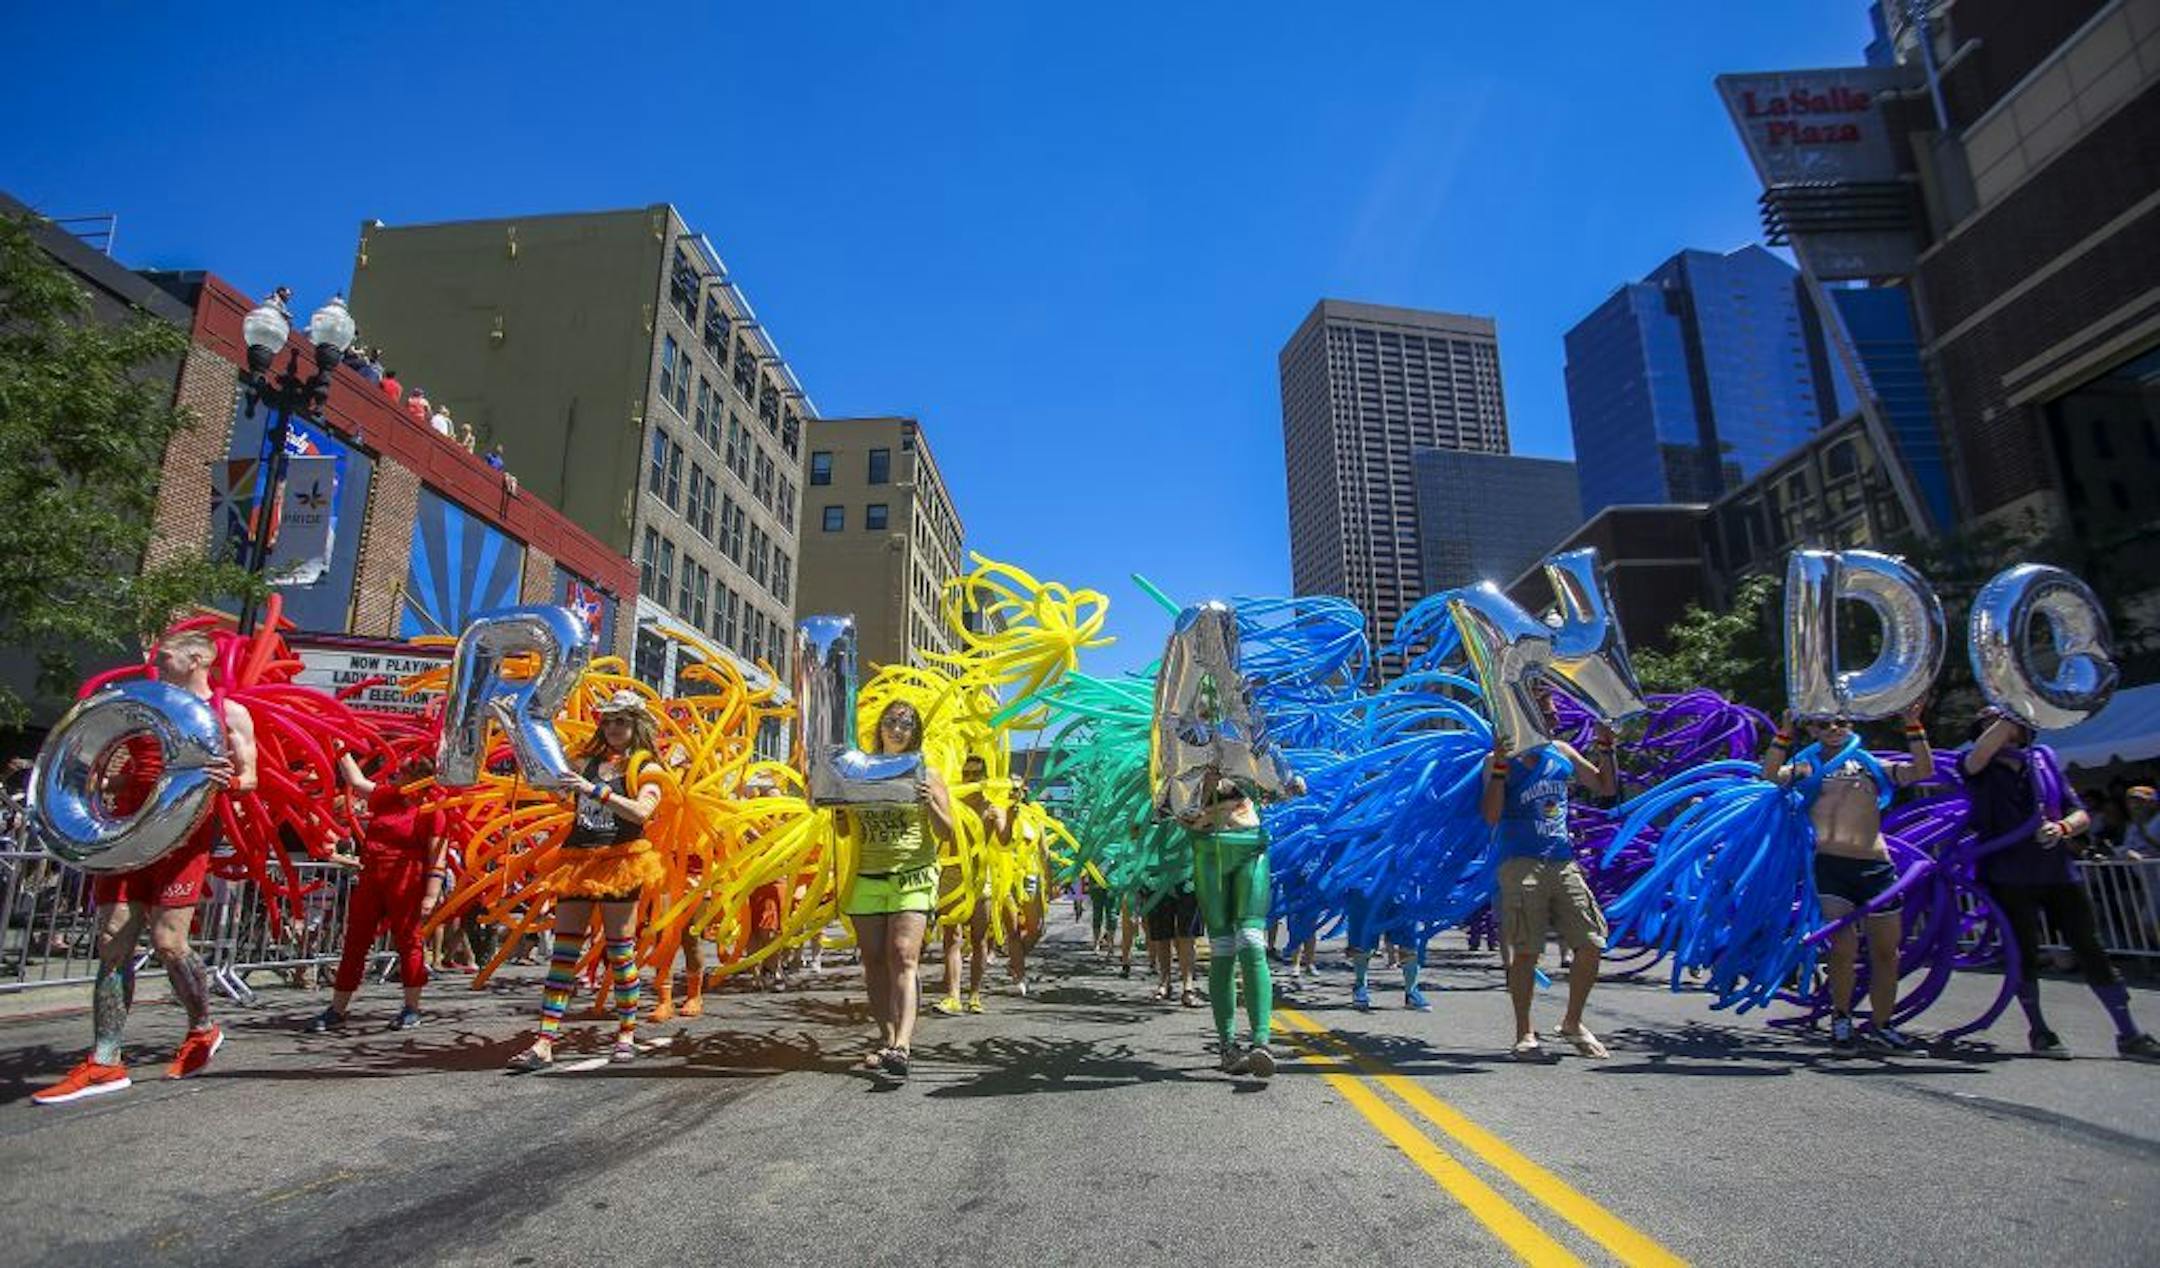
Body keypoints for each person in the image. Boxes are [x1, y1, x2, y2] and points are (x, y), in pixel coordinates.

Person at [35, 630, 260, 1105]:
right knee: (112, 940)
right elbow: (119, 762)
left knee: (168, 943)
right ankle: (105, 1059)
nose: (154, 657)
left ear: (198, 658)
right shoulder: (139, 702)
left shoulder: (228, 712)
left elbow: (250, 778)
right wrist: (96, 786)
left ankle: (202, 1027)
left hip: (183, 839)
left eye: (166, 652)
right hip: (123, 834)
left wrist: (229, 779)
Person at [1964, 712, 2160, 1061]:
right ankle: (2039, 1030)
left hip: (2058, 872)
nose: (2006, 725)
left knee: (2091, 947)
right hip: (2007, 875)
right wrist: (2009, 710)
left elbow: (2080, 812)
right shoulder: (1979, 767)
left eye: (2010, 720)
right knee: (2023, 954)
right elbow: (1978, 756)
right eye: (1993, 722)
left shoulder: (2043, 762)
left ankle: (2129, 1032)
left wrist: (2063, 828)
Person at [507, 691, 668, 1071]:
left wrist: (594, 789)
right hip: (578, 859)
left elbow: (643, 811)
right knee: (564, 952)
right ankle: (544, 1041)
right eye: (608, 721)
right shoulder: (587, 762)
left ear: (636, 726)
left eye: (621, 721)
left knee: (619, 950)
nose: (613, 728)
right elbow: (565, 795)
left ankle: (627, 1033)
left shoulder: (646, 767)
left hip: (622, 861)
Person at [1761, 700, 1932, 1056]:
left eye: (1841, 722)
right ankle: (1841, 1020)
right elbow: (1771, 775)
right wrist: (1783, 732)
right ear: (1813, 730)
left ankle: (1883, 1025)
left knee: (1887, 953)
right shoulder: (1810, 766)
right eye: (1824, 724)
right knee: (1842, 949)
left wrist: (1914, 726)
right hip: (1832, 865)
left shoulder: (1870, 765)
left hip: (1876, 866)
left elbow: (1921, 770)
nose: (1834, 728)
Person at [1483, 684, 1617, 1062]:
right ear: (1526, 713)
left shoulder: (1561, 753)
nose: (1556, 717)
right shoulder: (1500, 758)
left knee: (1591, 943)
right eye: (1547, 710)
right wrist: (1497, 764)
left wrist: (1607, 746)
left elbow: (1604, 786)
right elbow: (1490, 815)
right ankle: (1525, 1032)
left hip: (1562, 859)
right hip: (1519, 860)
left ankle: (1572, 1022)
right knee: (1526, 951)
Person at [837, 701, 952, 1078]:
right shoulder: (859, 772)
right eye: (891, 722)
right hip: (869, 875)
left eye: (906, 724)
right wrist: (838, 809)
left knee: (903, 954)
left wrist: (930, 803)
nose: (898, 729)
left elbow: (947, 832)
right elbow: (843, 830)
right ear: (881, 727)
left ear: (914, 732)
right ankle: (886, 1038)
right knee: (873, 960)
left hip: (914, 874)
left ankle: (903, 1044)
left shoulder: (927, 773)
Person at [309, 755, 444, 1033]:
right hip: (372, 877)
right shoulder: (387, 798)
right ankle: (337, 1008)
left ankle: (412, 1007)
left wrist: (431, 894)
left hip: (406, 880)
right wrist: (341, 750)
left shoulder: (433, 810)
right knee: (355, 941)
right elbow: (357, 782)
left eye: (401, 770)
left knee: (409, 942)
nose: (393, 774)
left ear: (417, 777)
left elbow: (437, 856)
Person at [1182, 772, 1297, 1078]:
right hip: (1209, 852)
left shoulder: (1244, 740)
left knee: (1251, 942)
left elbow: (1278, 783)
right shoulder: (1176, 748)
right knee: (1223, 950)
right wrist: (1204, 784)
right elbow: (1171, 811)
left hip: (1250, 848)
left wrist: (1289, 784)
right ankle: (1227, 1045)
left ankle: (1262, 1041)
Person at [933, 754, 998, 1016]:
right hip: (951, 876)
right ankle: (953, 996)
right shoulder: (952, 803)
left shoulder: (991, 808)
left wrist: (1011, 813)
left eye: (976, 774)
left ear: (985, 777)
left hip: (980, 878)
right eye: (966, 773)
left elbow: (1003, 841)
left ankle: (975, 995)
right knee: (952, 937)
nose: (970, 778)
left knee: (980, 938)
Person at [1005, 779, 1049, 996]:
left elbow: (1044, 852)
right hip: (1005, 878)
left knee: (1037, 929)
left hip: (1031, 877)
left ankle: (1016, 959)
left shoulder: (1034, 815)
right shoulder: (1000, 812)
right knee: (1013, 929)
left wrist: (1049, 882)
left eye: (1018, 788)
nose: (1014, 792)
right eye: (1010, 788)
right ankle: (1020, 975)